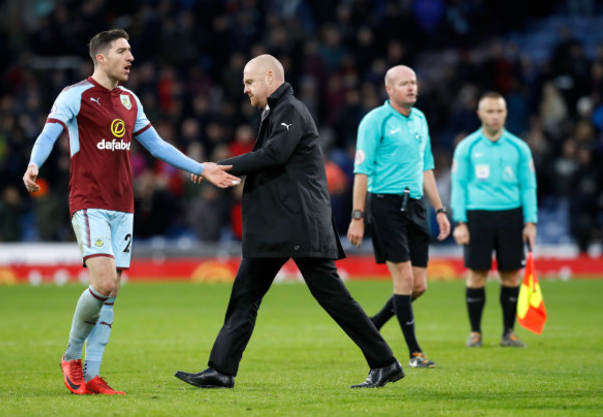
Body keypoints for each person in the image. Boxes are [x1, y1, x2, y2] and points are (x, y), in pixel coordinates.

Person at [22, 29, 240, 395]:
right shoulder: (74, 96)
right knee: (103, 282)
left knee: (113, 290)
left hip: (123, 206)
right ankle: (71, 357)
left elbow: (155, 146)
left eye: (131, 51)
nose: (131, 58)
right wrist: (33, 164)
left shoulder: (129, 100)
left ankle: (91, 375)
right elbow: (49, 133)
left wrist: (201, 167)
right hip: (89, 201)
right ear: (101, 57)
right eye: (123, 51)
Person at [174, 54, 404, 389]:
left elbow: (274, 155)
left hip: (297, 225)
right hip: (278, 227)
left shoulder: (291, 109)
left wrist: (219, 166)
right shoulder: (277, 112)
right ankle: (221, 370)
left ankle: (385, 362)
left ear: (270, 77)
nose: (245, 90)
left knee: (331, 296)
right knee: (245, 296)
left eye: (249, 82)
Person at [347, 65, 451, 369]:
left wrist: (440, 210)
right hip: (386, 205)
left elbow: (426, 168)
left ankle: (372, 324)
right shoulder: (374, 121)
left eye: (414, 82)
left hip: (417, 205)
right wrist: (357, 215)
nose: (412, 88)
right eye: (404, 83)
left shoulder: (419, 120)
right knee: (404, 278)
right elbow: (361, 171)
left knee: (419, 286)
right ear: (389, 89)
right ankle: (415, 353)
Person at [450, 91, 537, 348]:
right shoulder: (467, 147)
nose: (495, 116)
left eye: (499, 111)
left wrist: (530, 221)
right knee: (477, 274)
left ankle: (508, 332)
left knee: (511, 276)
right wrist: (460, 222)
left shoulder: (519, 148)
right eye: (489, 111)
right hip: (478, 215)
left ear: (506, 113)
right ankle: (475, 332)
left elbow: (528, 187)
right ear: (480, 114)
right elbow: (459, 186)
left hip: (511, 215)